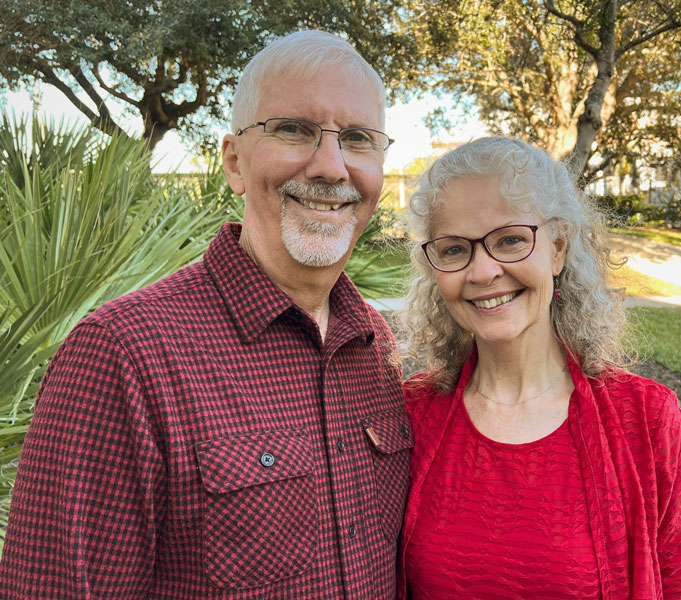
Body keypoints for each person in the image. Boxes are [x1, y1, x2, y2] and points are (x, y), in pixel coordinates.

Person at [0, 30, 412, 599]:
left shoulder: (376, 347)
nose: (331, 166)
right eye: (294, 129)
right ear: (235, 162)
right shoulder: (122, 355)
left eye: (359, 139)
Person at [397, 137, 681, 599]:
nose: (483, 272)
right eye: (453, 249)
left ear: (558, 248)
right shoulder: (409, 416)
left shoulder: (647, 419)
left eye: (510, 240)